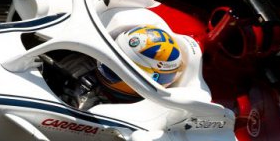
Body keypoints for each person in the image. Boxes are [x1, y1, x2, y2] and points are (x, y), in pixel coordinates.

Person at [54, 25, 185, 110]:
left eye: (115, 70)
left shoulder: (144, 114)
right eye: (111, 57)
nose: (103, 66)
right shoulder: (78, 62)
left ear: (151, 81)